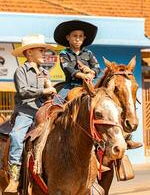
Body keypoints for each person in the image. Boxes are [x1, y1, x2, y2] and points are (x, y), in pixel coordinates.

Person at [54, 20, 142, 150]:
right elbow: (68, 69)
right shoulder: (64, 54)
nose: (78, 39)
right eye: (74, 36)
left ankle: (126, 138)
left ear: (84, 38)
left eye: (80, 36)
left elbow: (96, 67)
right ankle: (54, 131)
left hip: (90, 85)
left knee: (110, 107)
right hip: (71, 85)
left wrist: (91, 73)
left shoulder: (88, 53)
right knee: (56, 104)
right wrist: (83, 74)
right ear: (68, 38)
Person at [4, 34, 57, 194]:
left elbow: (47, 93)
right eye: (41, 50)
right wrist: (44, 90)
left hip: (43, 110)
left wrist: (50, 89)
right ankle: (14, 177)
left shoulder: (44, 72)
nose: (44, 53)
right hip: (26, 112)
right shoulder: (21, 71)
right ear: (29, 53)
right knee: (16, 136)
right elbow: (23, 91)